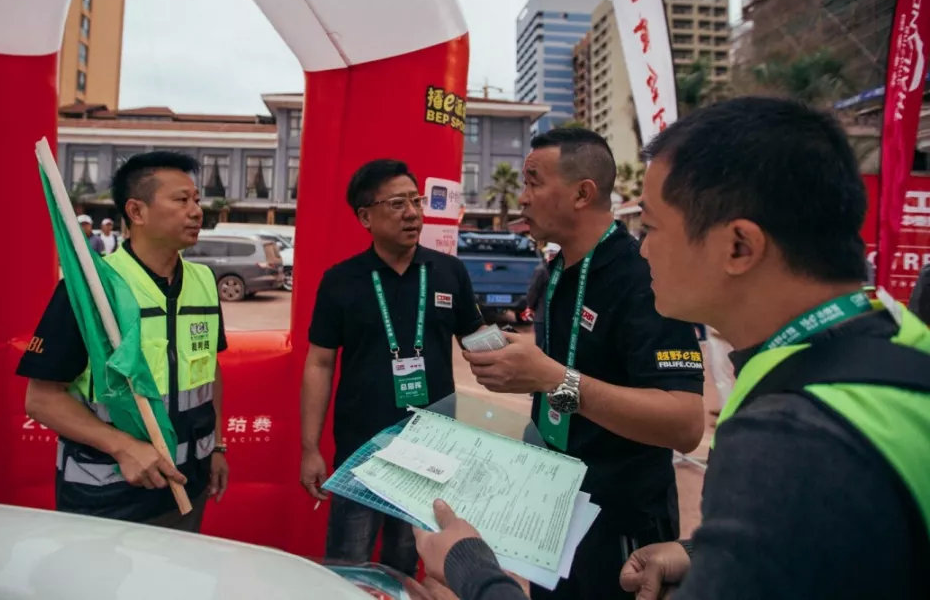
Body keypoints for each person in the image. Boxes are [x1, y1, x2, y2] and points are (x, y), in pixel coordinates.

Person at [414, 98, 930, 600]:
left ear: (738, 246)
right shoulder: (892, 343)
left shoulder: (787, 440)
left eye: (655, 227)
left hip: (618, 521)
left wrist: (473, 570)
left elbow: (684, 425)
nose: (643, 246)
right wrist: (701, 551)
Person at [459, 128, 703, 599]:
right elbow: (562, 374)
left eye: (532, 182)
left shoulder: (641, 276)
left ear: (582, 193)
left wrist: (553, 378)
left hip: (620, 524)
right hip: (551, 510)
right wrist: (523, 368)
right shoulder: (555, 273)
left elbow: (685, 423)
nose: (523, 197)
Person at [18, 151, 229, 530]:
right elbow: (41, 400)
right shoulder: (91, 291)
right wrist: (124, 447)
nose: (197, 210)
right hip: (108, 497)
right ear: (137, 211)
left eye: (196, 199)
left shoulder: (204, 282)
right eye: (181, 200)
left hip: (187, 488)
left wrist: (216, 445)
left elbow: (209, 371)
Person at [300, 158, 484, 576]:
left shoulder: (449, 271)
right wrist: (310, 447)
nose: (413, 213)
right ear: (366, 216)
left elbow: (477, 338)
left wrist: (526, 362)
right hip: (362, 451)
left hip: (430, 449)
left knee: (406, 559)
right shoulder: (341, 280)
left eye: (416, 201)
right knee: (349, 562)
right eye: (397, 203)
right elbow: (320, 363)